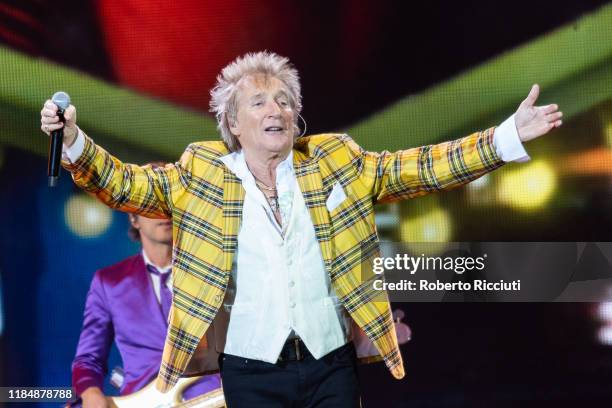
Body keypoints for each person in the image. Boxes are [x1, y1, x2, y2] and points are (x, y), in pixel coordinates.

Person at [41, 51, 562, 407]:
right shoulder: (202, 172)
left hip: (329, 362)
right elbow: (126, 185)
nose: (278, 109)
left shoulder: (335, 160)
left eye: (286, 101)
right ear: (234, 125)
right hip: (248, 367)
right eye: (260, 101)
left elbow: (420, 167)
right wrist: (72, 141)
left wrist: (505, 137)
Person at [72, 208, 221, 407]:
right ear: (133, 218)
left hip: (211, 400)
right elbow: (89, 359)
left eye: (168, 203)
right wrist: (91, 394)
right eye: (151, 205)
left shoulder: (215, 273)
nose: (162, 213)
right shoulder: (109, 282)